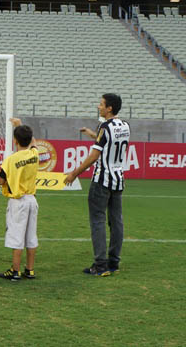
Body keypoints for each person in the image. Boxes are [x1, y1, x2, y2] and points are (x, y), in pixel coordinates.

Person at [65, 93, 130, 276]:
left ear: (109, 108)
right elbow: (111, 144)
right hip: (118, 178)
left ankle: (100, 265)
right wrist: (93, 135)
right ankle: (113, 262)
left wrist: (74, 173)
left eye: (101, 104)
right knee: (116, 221)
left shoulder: (105, 126)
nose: (99, 106)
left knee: (98, 221)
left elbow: (94, 156)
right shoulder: (125, 126)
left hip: (102, 179)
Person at [0, 118, 39, 281]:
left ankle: (15, 271)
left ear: (15, 141)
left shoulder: (11, 160)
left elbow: (1, 180)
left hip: (18, 201)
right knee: (31, 236)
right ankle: (30, 269)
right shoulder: (34, 154)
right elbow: (33, 141)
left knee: (16, 236)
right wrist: (20, 125)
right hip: (32, 199)